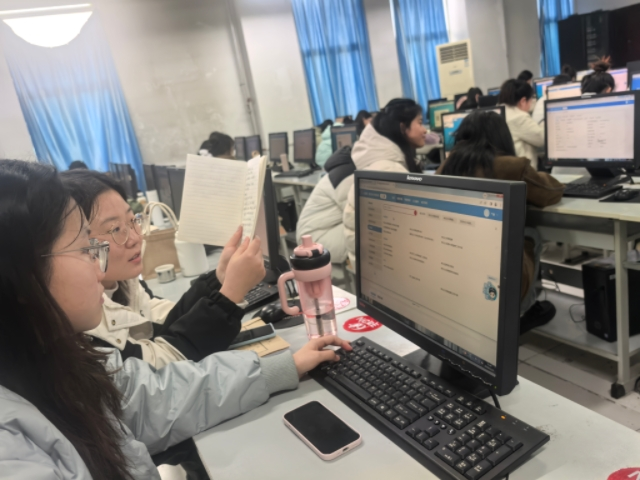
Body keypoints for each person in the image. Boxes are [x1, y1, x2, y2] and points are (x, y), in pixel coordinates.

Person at [0, 159, 351, 479]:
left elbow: (157, 396)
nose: (99, 266)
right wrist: (228, 294)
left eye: (131, 222)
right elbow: (164, 358)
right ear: (19, 275)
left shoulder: (58, 363)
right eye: (85, 248)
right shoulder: (12, 453)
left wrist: (285, 366)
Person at [61, 169, 263, 368]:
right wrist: (229, 296)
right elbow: (157, 367)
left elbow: (169, 323)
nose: (135, 238)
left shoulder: (126, 283)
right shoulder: (84, 318)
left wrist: (219, 279)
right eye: (115, 229)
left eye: (132, 221)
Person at [437, 111, 565, 333]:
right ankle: (523, 311)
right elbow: (550, 192)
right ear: (502, 136)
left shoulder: (447, 165)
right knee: (531, 234)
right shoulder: (510, 166)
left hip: (454, 256)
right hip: (493, 259)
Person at [343, 98, 427, 266]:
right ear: (403, 128)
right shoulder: (390, 172)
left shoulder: (380, 163)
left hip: (372, 265)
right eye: (419, 122)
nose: (425, 130)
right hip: (382, 267)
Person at [296, 146, 356, 263]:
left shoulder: (343, 168)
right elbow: (357, 216)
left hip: (312, 235)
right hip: (315, 241)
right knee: (369, 232)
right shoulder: (347, 176)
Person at [498, 79, 544, 168]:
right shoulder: (519, 117)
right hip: (524, 172)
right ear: (523, 101)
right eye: (531, 100)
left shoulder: (500, 111)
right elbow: (543, 139)